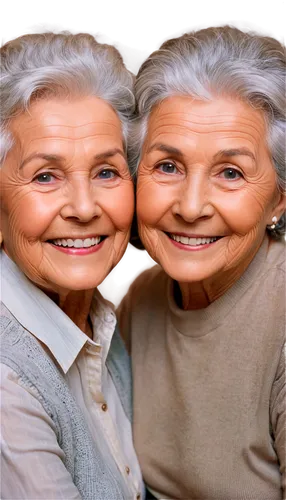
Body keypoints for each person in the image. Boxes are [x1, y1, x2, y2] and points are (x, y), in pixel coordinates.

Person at [117, 23, 286, 499]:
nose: (191, 207)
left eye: (230, 173)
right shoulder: (143, 297)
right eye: (167, 166)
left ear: (278, 200)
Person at [0, 31, 144, 499]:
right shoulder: (7, 380)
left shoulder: (106, 316)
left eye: (106, 172)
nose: (84, 208)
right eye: (46, 176)